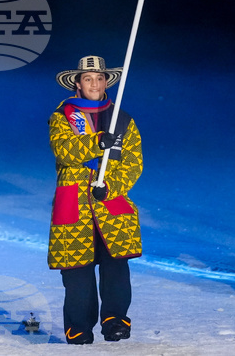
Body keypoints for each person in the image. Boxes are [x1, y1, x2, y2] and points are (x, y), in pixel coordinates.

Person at [48, 56, 143, 344]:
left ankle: (116, 321)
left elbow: (133, 162)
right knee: (77, 272)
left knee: (116, 267)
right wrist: (96, 142)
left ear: (106, 82)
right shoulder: (62, 116)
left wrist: (112, 186)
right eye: (88, 78)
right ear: (78, 83)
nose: (95, 83)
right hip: (74, 203)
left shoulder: (122, 119)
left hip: (110, 202)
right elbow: (64, 150)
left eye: (100, 78)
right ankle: (78, 327)